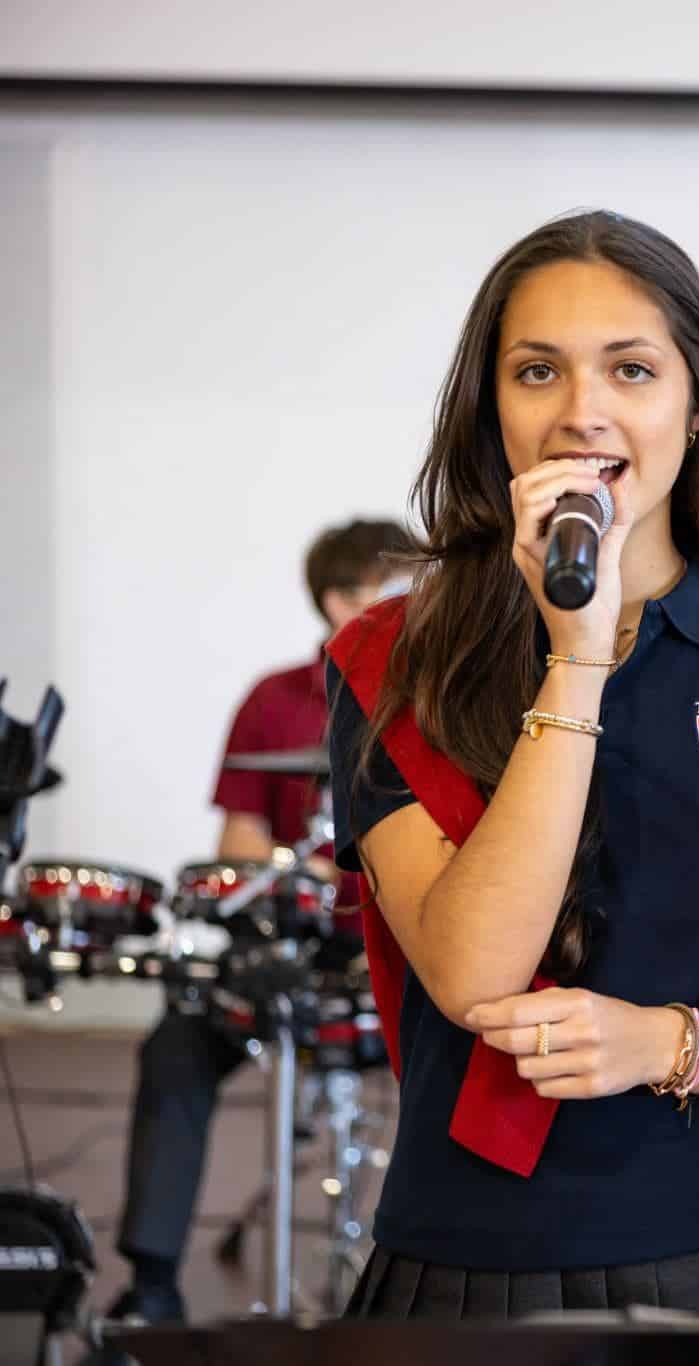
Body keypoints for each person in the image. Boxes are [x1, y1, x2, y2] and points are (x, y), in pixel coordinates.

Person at [325, 209, 699, 1319]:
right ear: (489, 407)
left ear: (697, 407)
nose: (580, 410)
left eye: (632, 368)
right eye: (536, 370)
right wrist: (576, 659)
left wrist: (666, 1042)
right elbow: (472, 974)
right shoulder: (391, 661)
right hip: (458, 1273)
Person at [108, 518, 415, 1324]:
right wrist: (300, 876)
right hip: (289, 954)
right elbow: (239, 848)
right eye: (394, 586)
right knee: (177, 1043)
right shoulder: (274, 701)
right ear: (340, 598)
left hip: (409, 961)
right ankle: (151, 1285)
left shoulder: (438, 697)